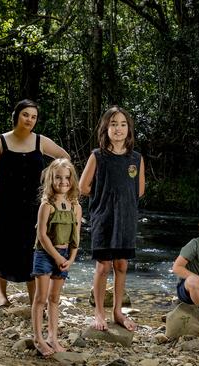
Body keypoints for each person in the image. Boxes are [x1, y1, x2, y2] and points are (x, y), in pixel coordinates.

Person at [0, 99, 69, 307]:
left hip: (34, 206)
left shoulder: (40, 141)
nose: (29, 119)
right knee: (1, 246)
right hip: (4, 203)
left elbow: (63, 157)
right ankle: (1, 295)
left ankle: (34, 299)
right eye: (25, 115)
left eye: (33, 116)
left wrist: (49, 175)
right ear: (16, 116)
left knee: (32, 249)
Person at [79, 106, 145, 332]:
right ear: (105, 128)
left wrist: (122, 200)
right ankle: (99, 311)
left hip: (126, 218)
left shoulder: (136, 158)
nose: (118, 129)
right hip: (104, 216)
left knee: (121, 264)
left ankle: (118, 311)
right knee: (103, 266)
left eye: (123, 124)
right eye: (113, 124)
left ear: (129, 129)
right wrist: (104, 196)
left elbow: (140, 190)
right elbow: (83, 186)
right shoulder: (97, 156)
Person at [31, 158, 82, 357]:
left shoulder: (75, 207)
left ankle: (53, 336)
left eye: (67, 178)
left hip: (64, 256)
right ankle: (38, 338)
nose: (63, 182)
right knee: (41, 298)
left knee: (54, 298)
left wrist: (70, 258)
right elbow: (42, 236)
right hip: (45, 254)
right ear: (51, 179)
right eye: (58, 178)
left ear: (72, 180)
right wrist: (56, 256)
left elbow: (76, 236)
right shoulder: (47, 205)